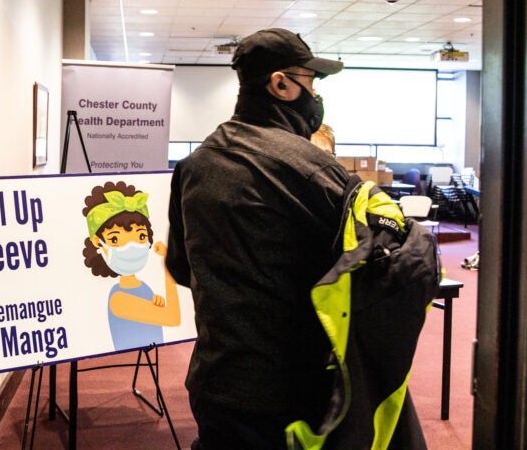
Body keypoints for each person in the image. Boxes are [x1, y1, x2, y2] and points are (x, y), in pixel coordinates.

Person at [166, 28, 426, 449]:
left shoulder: (194, 164)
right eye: (311, 82)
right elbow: (373, 268)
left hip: (216, 379)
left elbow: (180, 268)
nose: (315, 96)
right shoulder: (311, 169)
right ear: (281, 84)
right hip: (290, 389)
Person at [82, 180, 180, 351]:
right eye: (115, 239)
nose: (131, 246)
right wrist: (167, 261)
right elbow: (173, 317)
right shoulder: (118, 299)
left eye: (141, 236)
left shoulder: (142, 287)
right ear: (98, 242)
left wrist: (154, 302)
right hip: (131, 358)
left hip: (148, 349)